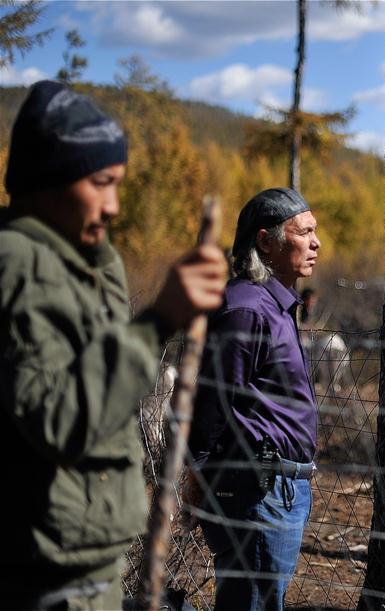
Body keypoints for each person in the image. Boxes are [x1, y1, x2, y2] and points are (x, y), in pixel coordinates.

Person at [0, 80, 229, 609]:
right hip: (46, 571)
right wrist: (158, 322)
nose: (113, 206)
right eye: (101, 183)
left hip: (89, 557)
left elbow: (109, 396)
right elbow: (58, 417)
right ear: (48, 179)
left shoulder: (82, 260)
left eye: (119, 185)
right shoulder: (18, 265)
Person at [188, 187, 320, 611]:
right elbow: (211, 405)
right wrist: (199, 481)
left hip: (280, 491)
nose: (316, 242)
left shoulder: (275, 304)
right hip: (258, 495)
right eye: (304, 232)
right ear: (266, 242)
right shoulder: (246, 308)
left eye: (315, 231)